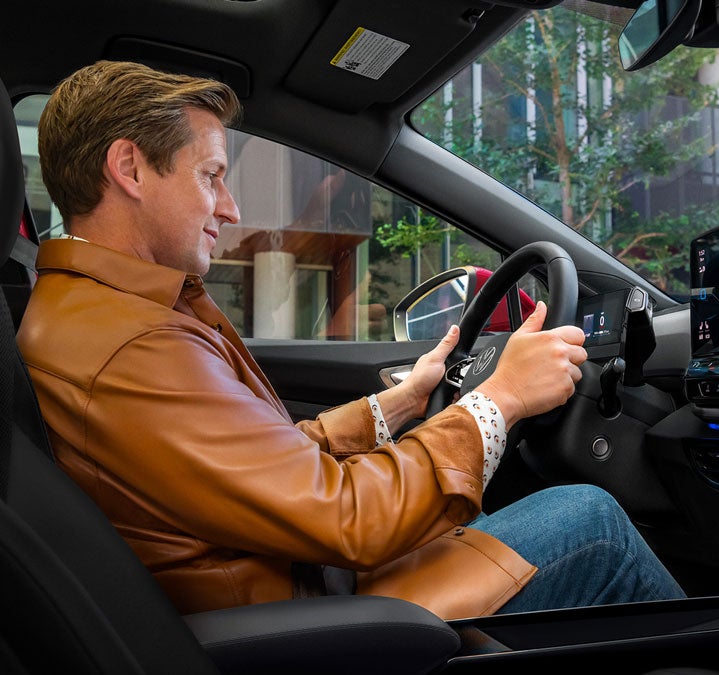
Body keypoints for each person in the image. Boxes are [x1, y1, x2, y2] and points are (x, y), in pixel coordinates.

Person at [17, 60, 685, 621]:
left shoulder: (99, 315)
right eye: (211, 175)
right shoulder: (131, 348)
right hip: (308, 622)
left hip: (299, 583)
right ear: (130, 170)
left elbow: (260, 465)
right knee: (591, 520)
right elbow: (348, 518)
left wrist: (398, 405)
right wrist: (500, 398)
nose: (230, 208)